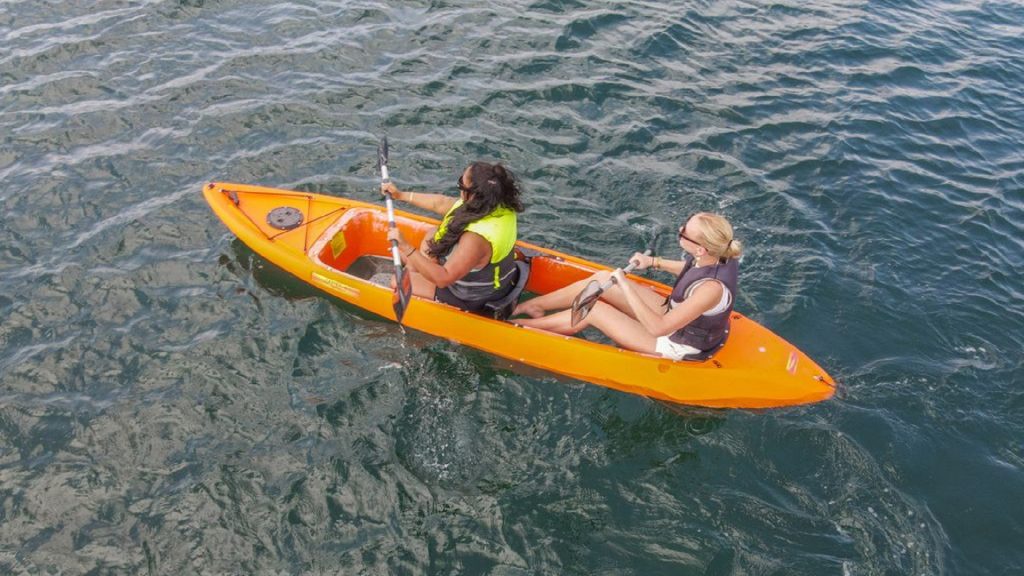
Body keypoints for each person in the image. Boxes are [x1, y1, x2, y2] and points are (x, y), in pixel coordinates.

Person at [512, 212, 742, 360]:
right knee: (602, 279)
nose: (680, 229)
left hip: (676, 343)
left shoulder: (710, 290)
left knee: (596, 309)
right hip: (674, 317)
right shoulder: (720, 253)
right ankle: (532, 306)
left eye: (684, 231)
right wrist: (654, 262)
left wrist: (626, 285)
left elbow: (658, 328)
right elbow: (692, 266)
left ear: (701, 248)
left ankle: (516, 326)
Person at [383, 161, 524, 314]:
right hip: (496, 277)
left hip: (472, 297)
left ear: (473, 194)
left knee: (395, 282)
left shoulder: (475, 240)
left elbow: (444, 279)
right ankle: (417, 266)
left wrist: (407, 247)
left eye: (460, 186)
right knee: (433, 233)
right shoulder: (498, 204)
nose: (459, 191)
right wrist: (400, 195)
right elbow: (441, 203)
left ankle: (413, 270)